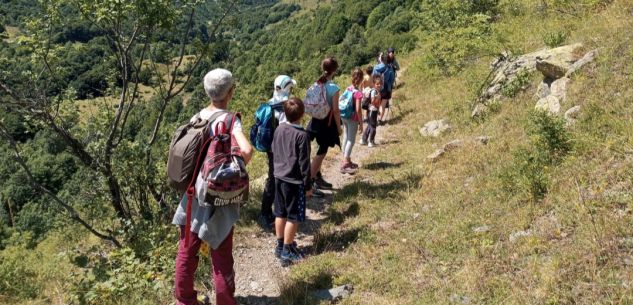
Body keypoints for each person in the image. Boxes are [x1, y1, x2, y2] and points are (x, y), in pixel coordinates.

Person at [172, 68, 253, 305]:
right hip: (217, 196)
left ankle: (185, 300)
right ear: (230, 92)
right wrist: (232, 172)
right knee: (221, 253)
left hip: (192, 195)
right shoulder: (229, 120)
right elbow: (247, 150)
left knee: (187, 248)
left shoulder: (197, 117)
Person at [271, 97, 312, 266]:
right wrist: (308, 186)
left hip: (278, 177)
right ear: (302, 114)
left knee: (280, 212)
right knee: (293, 216)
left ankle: (280, 245)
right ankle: (287, 251)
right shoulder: (302, 135)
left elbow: (273, 149)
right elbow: (304, 164)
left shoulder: (279, 129)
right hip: (294, 181)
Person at [258, 75, 297, 231]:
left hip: (271, 149)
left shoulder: (269, 103)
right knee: (276, 180)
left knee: (273, 178)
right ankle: (267, 213)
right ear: (288, 88)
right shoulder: (286, 106)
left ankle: (272, 212)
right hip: (282, 150)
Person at [306, 56, 342, 195]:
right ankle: (310, 181)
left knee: (316, 151)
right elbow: (335, 110)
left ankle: (316, 178)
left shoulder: (317, 84)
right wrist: (339, 128)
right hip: (326, 124)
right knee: (321, 152)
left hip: (314, 121)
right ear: (335, 70)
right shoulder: (333, 88)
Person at [340, 68, 364, 174]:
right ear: (361, 79)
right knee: (351, 140)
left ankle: (346, 159)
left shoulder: (348, 88)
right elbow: (358, 109)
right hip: (352, 119)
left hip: (344, 116)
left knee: (345, 137)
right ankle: (345, 163)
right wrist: (361, 122)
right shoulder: (358, 93)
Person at [373, 53, 395, 125]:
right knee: (383, 104)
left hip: (377, 88)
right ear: (387, 60)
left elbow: (373, 78)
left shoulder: (376, 67)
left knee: (376, 104)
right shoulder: (389, 67)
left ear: (381, 59)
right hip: (386, 88)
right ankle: (380, 119)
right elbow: (392, 80)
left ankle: (374, 119)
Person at [360, 74, 382, 148]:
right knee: (373, 126)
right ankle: (371, 141)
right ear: (374, 84)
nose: (379, 85)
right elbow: (372, 101)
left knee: (370, 125)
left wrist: (378, 109)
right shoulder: (374, 91)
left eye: (380, 84)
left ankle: (363, 139)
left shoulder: (376, 91)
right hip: (372, 111)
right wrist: (377, 98)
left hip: (373, 110)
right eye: (377, 84)